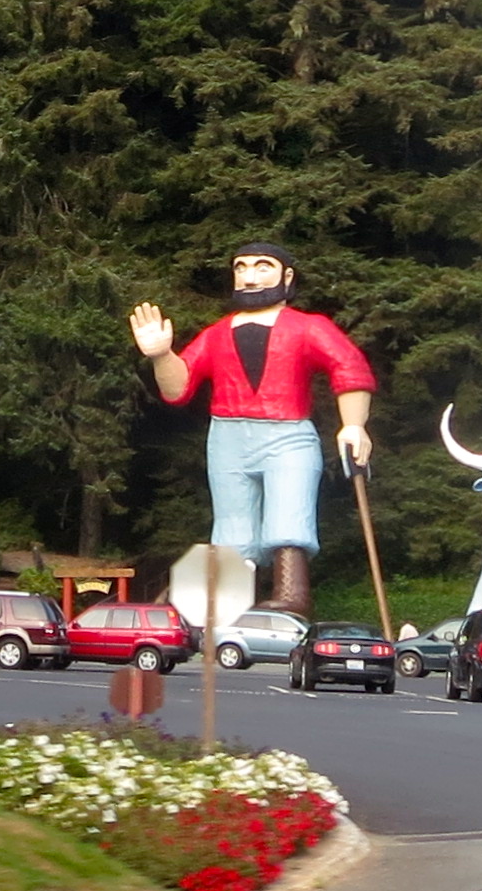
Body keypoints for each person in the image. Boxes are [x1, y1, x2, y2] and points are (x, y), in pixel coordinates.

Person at [128, 246, 376, 620]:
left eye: (262, 267)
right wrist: (162, 355)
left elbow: (348, 367)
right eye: (241, 268)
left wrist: (354, 424)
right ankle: (228, 601)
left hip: (287, 433)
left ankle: (291, 594)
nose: (249, 276)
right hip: (228, 435)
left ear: (286, 277)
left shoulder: (308, 327)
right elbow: (179, 389)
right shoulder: (217, 334)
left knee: (289, 509)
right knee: (232, 522)